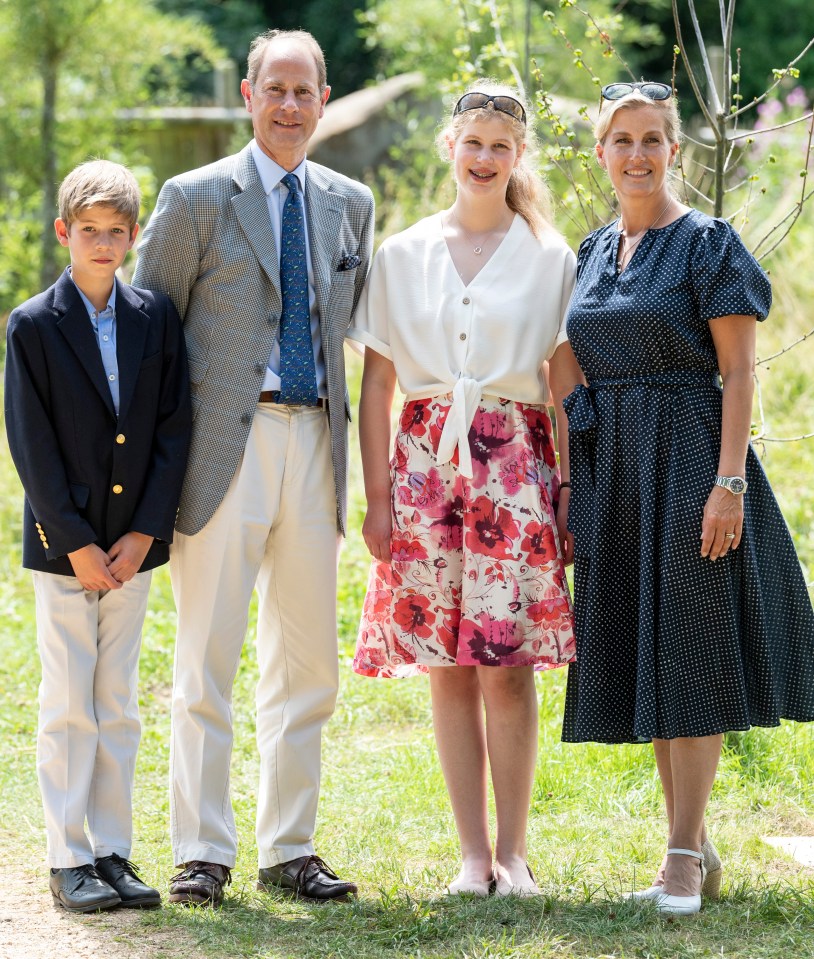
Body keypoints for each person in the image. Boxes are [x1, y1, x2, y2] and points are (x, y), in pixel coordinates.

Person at [557, 80, 814, 916]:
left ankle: (678, 857)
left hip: (694, 457)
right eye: (621, 139)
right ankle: (693, 844)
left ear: (676, 149)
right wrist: (575, 443)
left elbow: (737, 370)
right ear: (602, 152)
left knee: (694, 650)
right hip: (618, 469)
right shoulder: (594, 248)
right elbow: (566, 358)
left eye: (653, 139)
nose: (637, 154)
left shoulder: (708, 242)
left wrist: (728, 481)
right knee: (655, 656)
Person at [132, 29, 374, 906]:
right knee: (206, 656)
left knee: (308, 661)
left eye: (303, 90)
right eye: (273, 89)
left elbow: (361, 332)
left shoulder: (350, 201)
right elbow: (146, 332)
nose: (287, 106)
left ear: (323, 96)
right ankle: (201, 847)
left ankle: (290, 845)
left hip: (316, 445)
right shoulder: (195, 197)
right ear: (247, 94)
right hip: (221, 450)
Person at [348, 81, 580, 897]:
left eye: (501, 148)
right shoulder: (402, 253)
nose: (484, 159)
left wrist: (567, 492)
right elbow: (377, 388)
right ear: (451, 146)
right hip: (424, 472)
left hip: (516, 469)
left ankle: (514, 854)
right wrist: (377, 497)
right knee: (447, 664)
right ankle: (471, 855)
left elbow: (563, 386)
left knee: (507, 663)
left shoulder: (552, 256)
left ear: (519, 158)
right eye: (472, 143)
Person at [4, 160, 191, 912]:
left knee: (117, 699)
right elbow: (30, 442)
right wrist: (74, 539)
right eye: (90, 233)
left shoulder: (155, 316)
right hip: (67, 547)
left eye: (117, 233)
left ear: (135, 235)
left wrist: (146, 530)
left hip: (133, 545)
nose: (104, 245)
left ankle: (113, 850)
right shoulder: (32, 325)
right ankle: (68, 854)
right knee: (68, 700)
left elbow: (174, 427)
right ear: (64, 233)